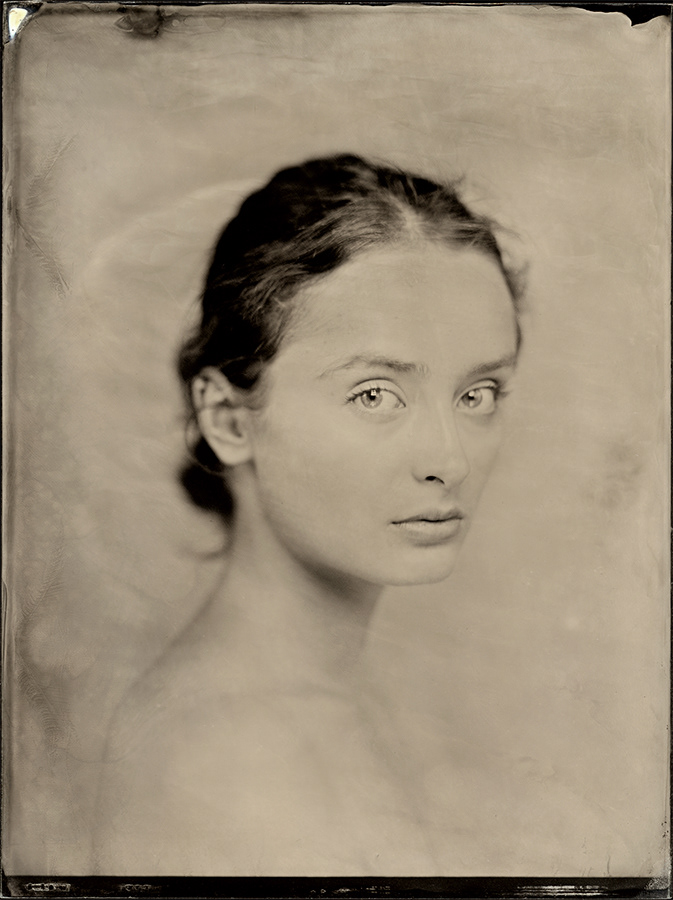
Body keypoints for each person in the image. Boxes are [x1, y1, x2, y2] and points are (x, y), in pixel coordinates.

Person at [92, 154, 523, 876]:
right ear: (228, 418)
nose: (449, 460)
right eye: (375, 395)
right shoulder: (223, 766)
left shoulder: (352, 701)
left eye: (477, 394)